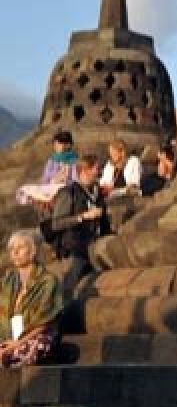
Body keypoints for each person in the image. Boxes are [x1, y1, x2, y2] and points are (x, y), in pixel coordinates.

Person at [47, 153, 108, 298]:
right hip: (74, 250)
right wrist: (82, 217)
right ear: (84, 170)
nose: (99, 172)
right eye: (96, 169)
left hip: (95, 249)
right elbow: (56, 223)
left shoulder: (97, 193)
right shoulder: (69, 193)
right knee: (68, 291)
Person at [0, 231, 63, 368]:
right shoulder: (7, 281)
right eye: (12, 249)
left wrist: (18, 343)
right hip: (8, 337)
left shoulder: (48, 281)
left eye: (20, 247)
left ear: (33, 251)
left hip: (36, 337)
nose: (15, 252)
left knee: (23, 351)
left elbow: (45, 321)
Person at [15, 131, 77, 208]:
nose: (55, 147)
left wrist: (64, 180)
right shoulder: (52, 160)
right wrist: (51, 181)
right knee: (24, 189)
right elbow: (45, 177)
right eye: (55, 144)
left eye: (58, 144)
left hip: (65, 188)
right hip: (50, 186)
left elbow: (75, 179)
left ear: (67, 145)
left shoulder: (74, 160)